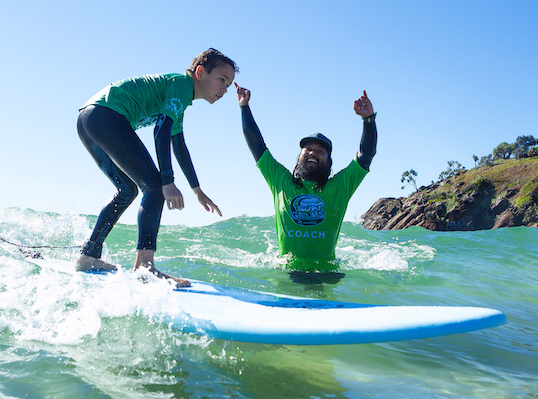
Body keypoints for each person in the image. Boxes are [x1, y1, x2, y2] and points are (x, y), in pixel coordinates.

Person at [76, 48, 238, 287]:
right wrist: (167, 180)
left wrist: (197, 191)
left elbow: (179, 148)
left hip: (88, 119)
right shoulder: (182, 84)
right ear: (200, 72)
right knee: (153, 186)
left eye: (229, 84)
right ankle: (144, 267)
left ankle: (88, 256)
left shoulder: (178, 103)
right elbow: (161, 130)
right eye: (222, 80)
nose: (225, 89)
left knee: (127, 191)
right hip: (105, 115)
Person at [235, 83, 377, 275]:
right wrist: (244, 107)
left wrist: (368, 119)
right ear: (300, 155)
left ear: (328, 161)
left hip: (327, 273)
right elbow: (257, 145)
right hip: (287, 272)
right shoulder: (280, 181)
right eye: (308, 149)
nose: (313, 152)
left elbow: (365, 155)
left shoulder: (340, 187)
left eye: (320, 151)